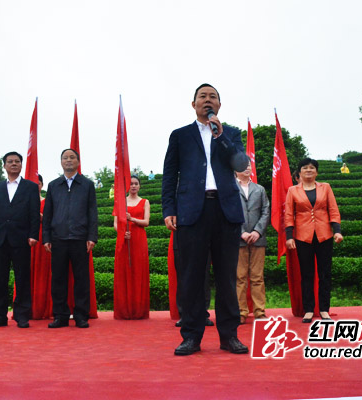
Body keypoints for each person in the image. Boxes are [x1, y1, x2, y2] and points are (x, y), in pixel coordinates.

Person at [162, 83, 249, 356]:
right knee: (191, 278)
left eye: (213, 97)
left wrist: (220, 136)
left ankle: (229, 336)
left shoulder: (230, 133)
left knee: (227, 277)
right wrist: (169, 209)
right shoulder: (180, 135)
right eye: (203, 96)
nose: (207, 100)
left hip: (226, 211)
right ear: (194, 104)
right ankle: (191, 336)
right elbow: (170, 175)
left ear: (219, 105)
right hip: (191, 213)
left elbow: (240, 164)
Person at [43, 149, 98, 329]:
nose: (68, 160)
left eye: (72, 157)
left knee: (81, 280)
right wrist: (46, 237)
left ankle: (81, 316)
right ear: (61, 162)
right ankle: (60, 316)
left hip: (80, 239)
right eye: (65, 158)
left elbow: (92, 212)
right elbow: (48, 213)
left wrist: (92, 236)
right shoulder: (53, 186)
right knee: (58, 280)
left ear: (78, 162)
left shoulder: (87, 185)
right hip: (58, 239)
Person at [0, 151, 40, 328]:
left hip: (22, 239)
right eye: (10, 161)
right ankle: (0, 316)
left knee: (22, 279)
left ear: (21, 165)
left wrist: (33, 234)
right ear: (4, 166)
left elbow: (34, 214)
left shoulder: (30, 187)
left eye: (17, 161)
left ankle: (22, 315)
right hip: (0, 239)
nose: (14, 164)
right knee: (0, 280)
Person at [285, 158, 343, 324]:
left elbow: (333, 209)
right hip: (303, 236)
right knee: (306, 274)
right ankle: (309, 310)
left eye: (312, 168)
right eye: (305, 168)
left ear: (316, 172)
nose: (309, 170)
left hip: (324, 235)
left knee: (325, 274)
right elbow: (289, 214)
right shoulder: (292, 190)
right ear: (299, 172)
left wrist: (337, 231)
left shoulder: (326, 187)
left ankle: (324, 309)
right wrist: (289, 236)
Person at [236, 161, 270, 323]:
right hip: (238, 239)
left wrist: (257, 231)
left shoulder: (260, 189)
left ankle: (259, 311)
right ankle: (241, 312)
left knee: (257, 277)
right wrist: (242, 232)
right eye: (243, 165)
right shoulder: (230, 188)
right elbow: (228, 212)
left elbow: (266, 211)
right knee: (240, 277)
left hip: (258, 239)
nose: (247, 168)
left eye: (249, 165)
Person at [113, 175, 150, 319]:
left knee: (138, 271)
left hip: (139, 240)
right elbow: (115, 223)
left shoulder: (145, 202)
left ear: (139, 186)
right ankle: (125, 309)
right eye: (131, 184)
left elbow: (146, 222)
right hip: (125, 240)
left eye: (136, 184)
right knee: (125, 272)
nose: (133, 186)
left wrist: (132, 219)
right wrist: (122, 232)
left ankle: (139, 310)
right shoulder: (120, 202)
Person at [30, 174, 53, 320]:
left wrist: (40, 217)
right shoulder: (24, 201)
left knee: (45, 272)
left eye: (38, 183)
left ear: (42, 185)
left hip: (43, 239)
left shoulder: (47, 201)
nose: (36, 186)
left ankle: (45, 308)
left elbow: (52, 219)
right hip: (28, 240)